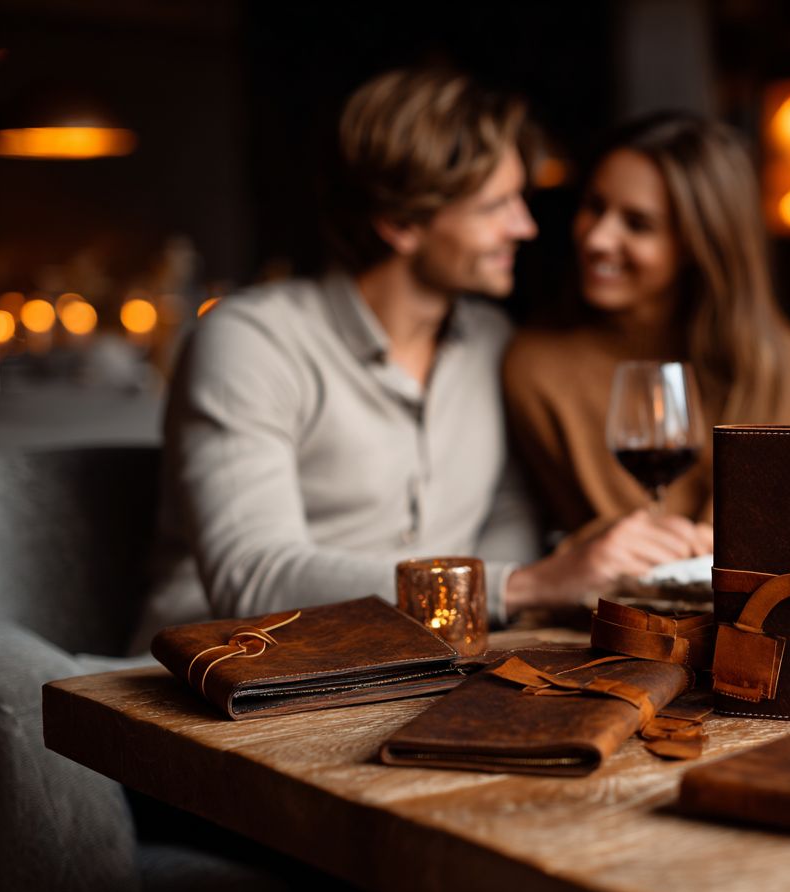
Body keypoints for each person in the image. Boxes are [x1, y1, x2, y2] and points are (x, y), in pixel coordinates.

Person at [133, 69, 709, 653]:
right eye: (496, 206)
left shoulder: (490, 341)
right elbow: (250, 576)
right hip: (210, 679)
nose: (526, 227)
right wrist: (526, 585)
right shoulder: (250, 340)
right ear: (401, 223)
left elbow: (506, 519)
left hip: (402, 672)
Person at [502, 112, 790, 542]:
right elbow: (577, 539)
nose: (597, 239)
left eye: (638, 224)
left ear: (697, 243)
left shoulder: (770, 357)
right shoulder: (537, 365)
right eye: (594, 206)